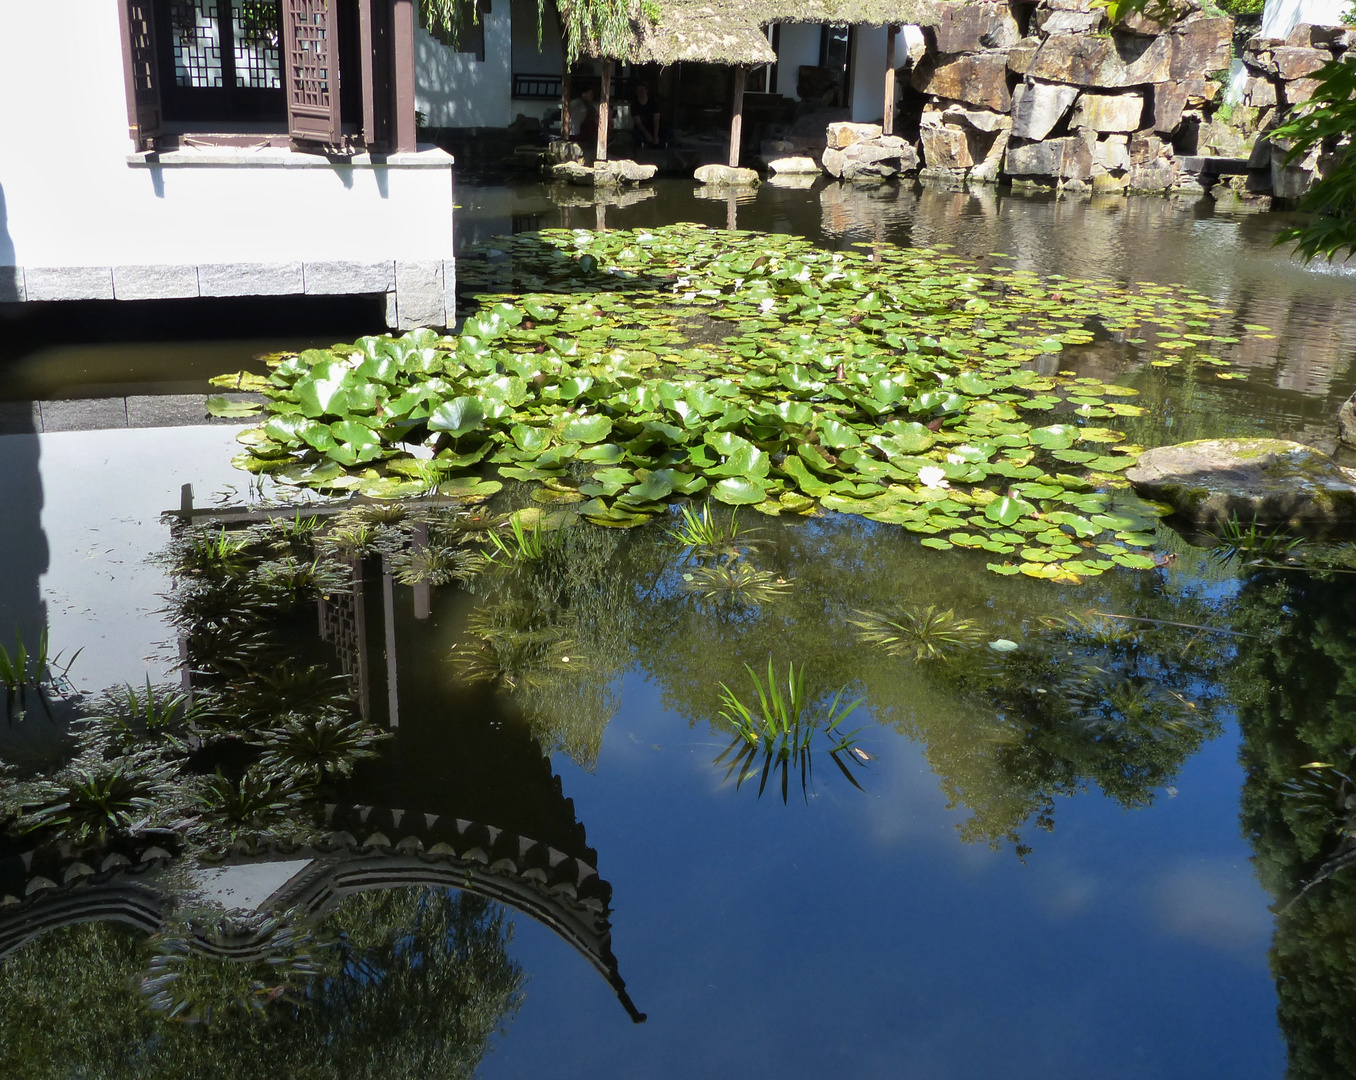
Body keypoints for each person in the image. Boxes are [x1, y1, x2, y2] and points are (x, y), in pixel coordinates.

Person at [631, 81, 662, 149]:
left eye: (643, 90)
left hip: (652, 128)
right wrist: (646, 133)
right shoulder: (634, 105)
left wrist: (655, 135)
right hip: (641, 129)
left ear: (647, 90)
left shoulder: (653, 103)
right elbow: (638, 122)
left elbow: (656, 120)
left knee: (668, 131)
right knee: (636, 134)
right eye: (639, 90)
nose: (641, 92)